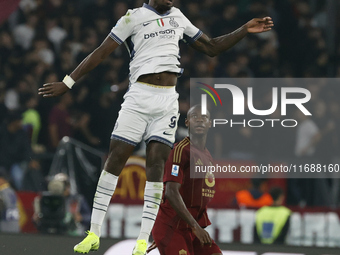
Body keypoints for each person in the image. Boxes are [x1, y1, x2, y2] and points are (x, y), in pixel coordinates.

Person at [38, 0, 273, 254]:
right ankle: (93, 232)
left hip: (167, 100)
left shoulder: (178, 16)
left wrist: (243, 30)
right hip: (139, 95)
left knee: (157, 165)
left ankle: (142, 240)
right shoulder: (132, 18)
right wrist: (67, 82)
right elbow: (101, 52)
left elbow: (212, 47)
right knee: (116, 158)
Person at [147, 105, 221, 255]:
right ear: (187, 122)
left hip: (190, 227)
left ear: (210, 123)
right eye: (194, 117)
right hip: (173, 227)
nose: (199, 120)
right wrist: (165, 233)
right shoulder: (180, 151)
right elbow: (171, 192)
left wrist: (197, 227)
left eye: (204, 117)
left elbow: (199, 197)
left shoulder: (207, 156)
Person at [0, 168, 20, 233]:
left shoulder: (2, 192)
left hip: (5, 226)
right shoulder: (12, 191)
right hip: (14, 225)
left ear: (2, 179)